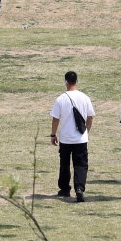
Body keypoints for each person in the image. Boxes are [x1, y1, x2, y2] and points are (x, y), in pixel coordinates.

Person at [50, 70, 95, 201]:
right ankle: (79, 188)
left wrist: (53, 134)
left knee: (64, 163)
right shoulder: (85, 97)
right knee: (80, 164)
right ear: (77, 81)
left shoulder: (61, 99)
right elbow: (90, 117)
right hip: (80, 138)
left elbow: (55, 119)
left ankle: (64, 189)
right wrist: (86, 131)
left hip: (65, 138)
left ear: (65, 82)